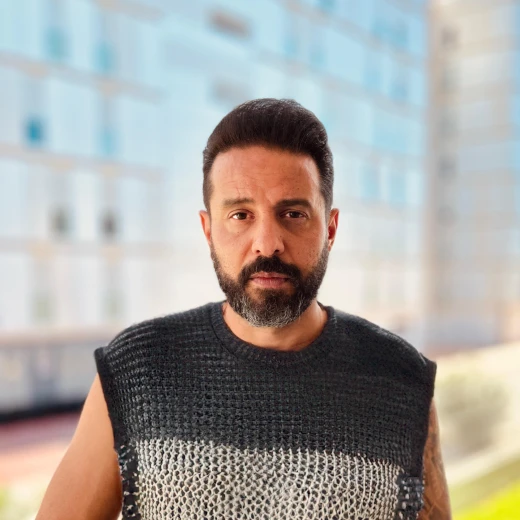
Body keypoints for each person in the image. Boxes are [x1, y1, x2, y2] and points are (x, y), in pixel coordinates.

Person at [36, 98, 451, 519]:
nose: (268, 243)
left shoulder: (402, 379)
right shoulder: (137, 368)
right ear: (208, 230)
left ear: (330, 228)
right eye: (240, 215)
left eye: (293, 213)